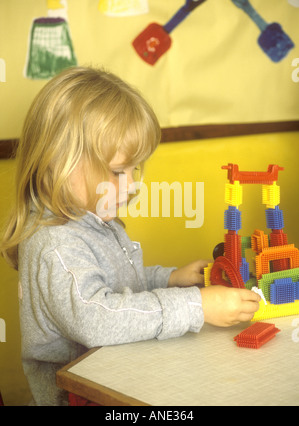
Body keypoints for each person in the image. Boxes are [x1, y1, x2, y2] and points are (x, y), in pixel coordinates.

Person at [0, 67, 260, 406]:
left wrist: (170, 278)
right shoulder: (56, 246)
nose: (132, 183)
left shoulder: (94, 220)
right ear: (58, 163)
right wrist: (197, 306)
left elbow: (120, 287)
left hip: (119, 376)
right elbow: (99, 318)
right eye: (118, 171)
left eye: (134, 169)